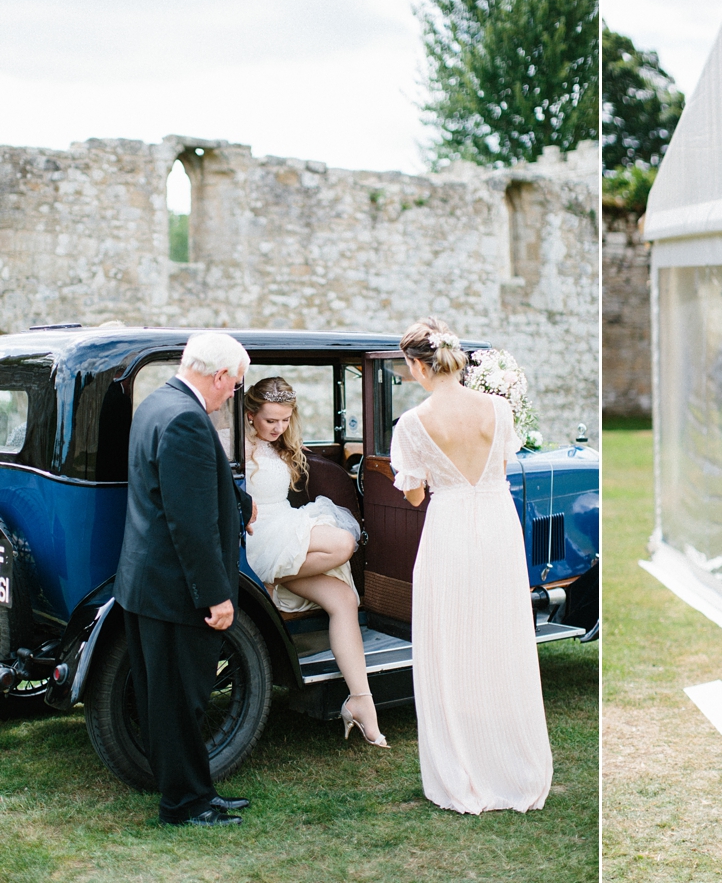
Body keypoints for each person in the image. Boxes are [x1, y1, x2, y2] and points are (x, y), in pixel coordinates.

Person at [390, 318, 552, 814]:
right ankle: (511, 765)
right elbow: (499, 469)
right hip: (498, 529)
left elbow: (415, 495)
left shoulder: (414, 423)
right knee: (501, 637)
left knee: (452, 641)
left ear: (419, 366)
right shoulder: (499, 408)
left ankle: (464, 764)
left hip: (451, 529)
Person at [114, 331, 255, 827]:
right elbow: (189, 522)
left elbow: (186, 486)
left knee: (167, 700)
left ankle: (196, 791)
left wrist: (243, 506)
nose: (233, 394)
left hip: (146, 583)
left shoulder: (157, 404)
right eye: (234, 384)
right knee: (180, 703)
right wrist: (216, 596)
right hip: (176, 591)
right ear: (218, 376)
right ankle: (184, 805)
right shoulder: (186, 421)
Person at [242, 376, 387, 747]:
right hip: (260, 537)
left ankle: (360, 702)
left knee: (345, 600)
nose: (278, 428)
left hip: (286, 532)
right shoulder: (237, 446)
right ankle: (269, 577)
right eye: (270, 420)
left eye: (285, 420)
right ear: (249, 415)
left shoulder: (280, 444)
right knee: (342, 543)